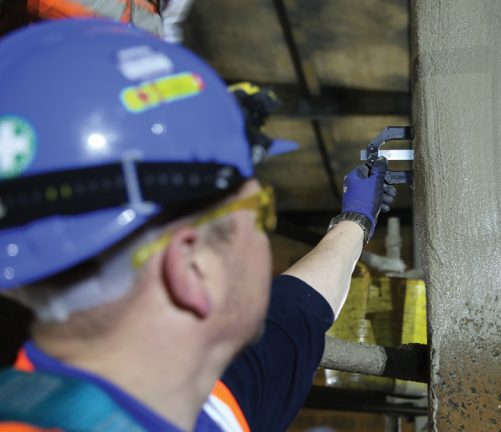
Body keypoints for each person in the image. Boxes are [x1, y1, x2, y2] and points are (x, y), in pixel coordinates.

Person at [0, 19, 395, 431]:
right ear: (193, 269)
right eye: (260, 213)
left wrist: (355, 220)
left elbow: (296, 310)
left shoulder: (196, 397)